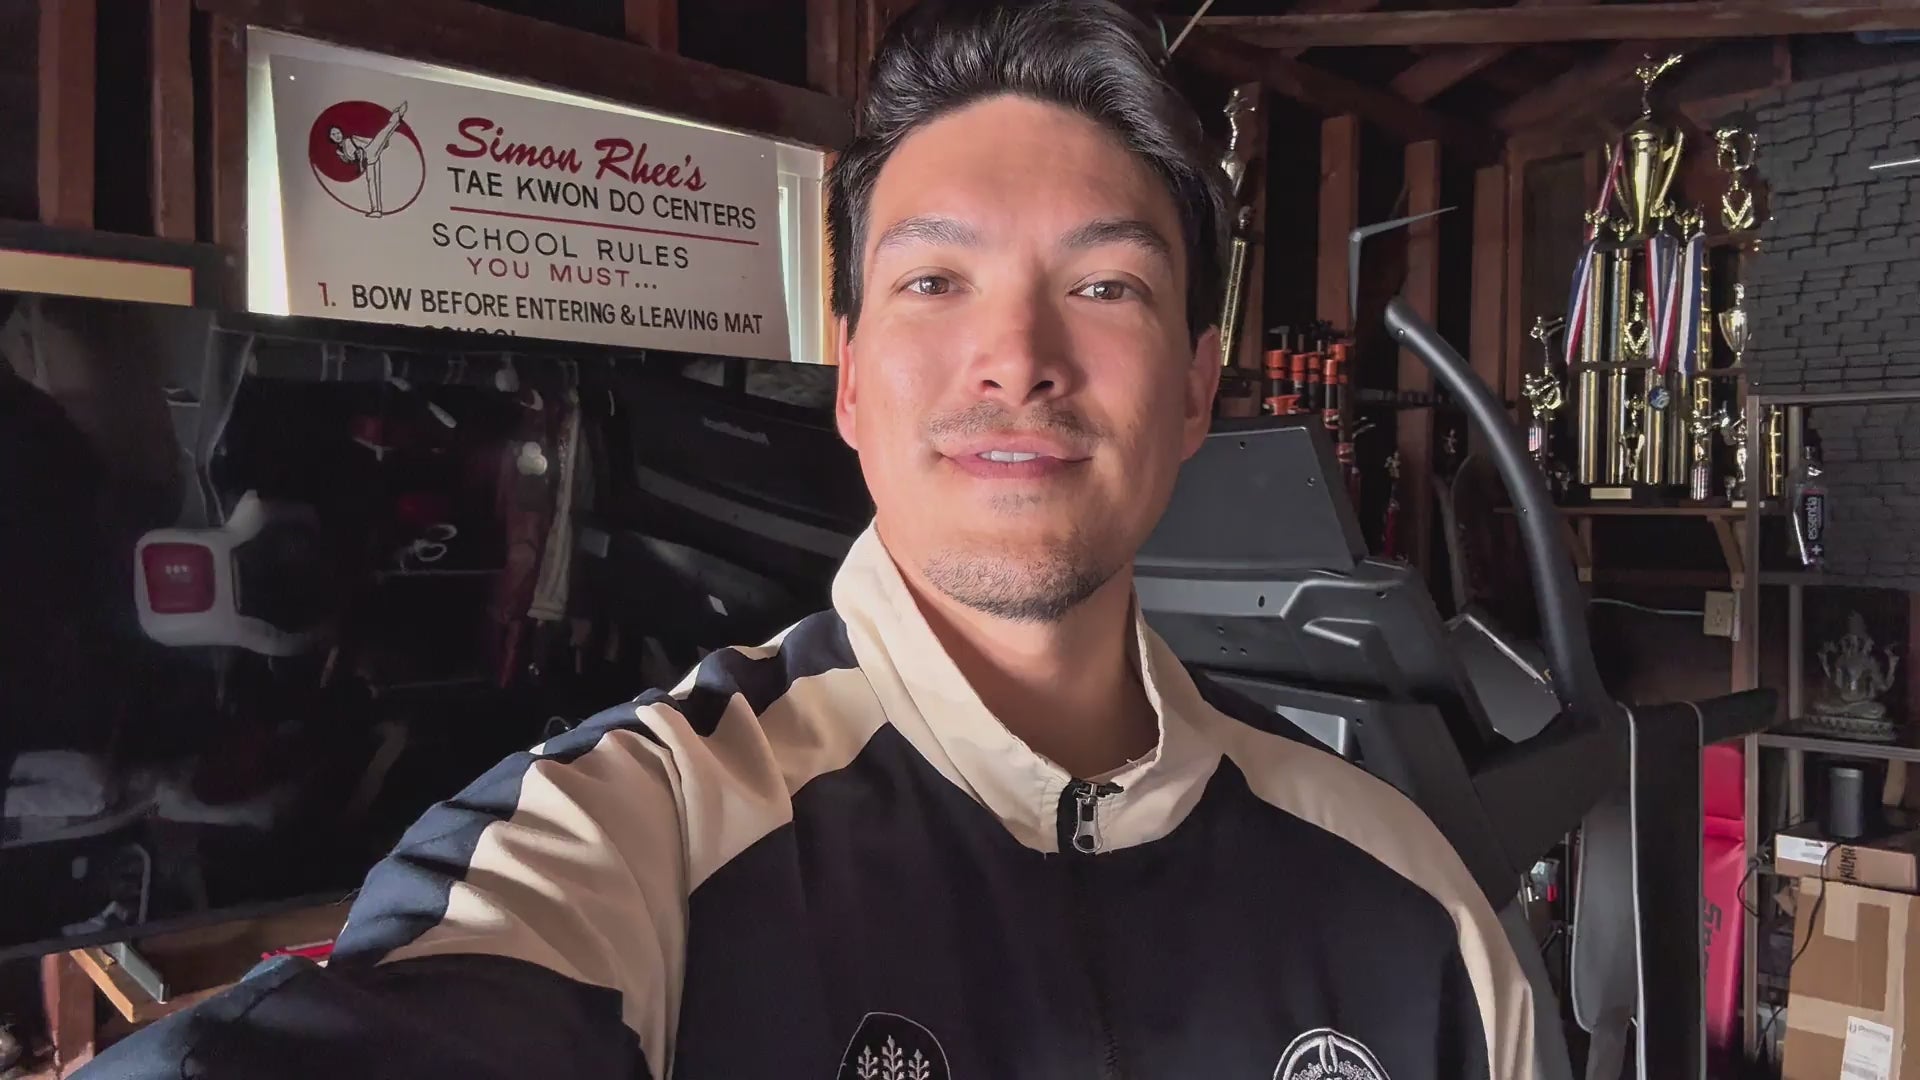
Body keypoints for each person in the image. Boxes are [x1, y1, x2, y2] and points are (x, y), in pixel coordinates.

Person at [85, 2, 1540, 1077]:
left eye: (1105, 288)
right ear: (848, 379)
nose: (1017, 357)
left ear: (1197, 390)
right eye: (935, 282)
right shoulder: (636, 840)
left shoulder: (1414, 909)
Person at [329, 101, 408, 217]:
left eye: (337, 133)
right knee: (372, 181)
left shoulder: (350, 139)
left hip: (369, 152)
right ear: (330, 138)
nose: (337, 135)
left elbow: (367, 142)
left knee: (381, 136)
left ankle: (396, 117)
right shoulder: (340, 151)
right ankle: (376, 210)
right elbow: (350, 161)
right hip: (367, 161)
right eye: (334, 134)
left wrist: (381, 145)